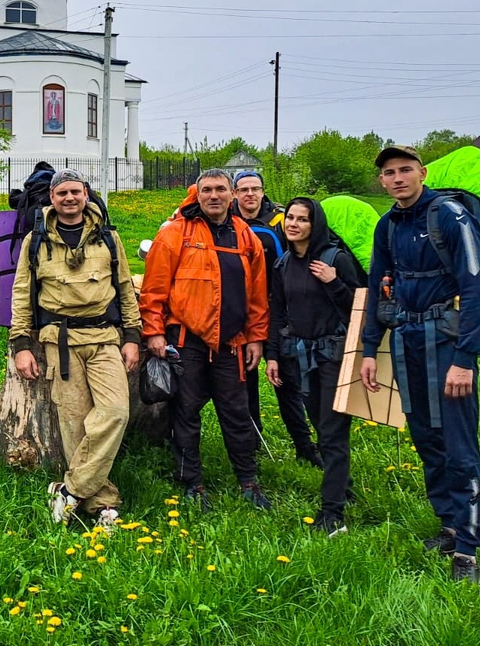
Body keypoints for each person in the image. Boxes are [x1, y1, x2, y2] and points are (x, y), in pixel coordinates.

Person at [360, 146, 480, 584]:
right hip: (406, 341)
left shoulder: (450, 216)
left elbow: (476, 292)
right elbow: (379, 290)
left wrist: (465, 360)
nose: (397, 178)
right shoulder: (387, 225)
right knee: (426, 438)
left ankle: (468, 551)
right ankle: (450, 525)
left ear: (422, 173)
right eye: (389, 173)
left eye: (404, 170)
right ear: (381, 181)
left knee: (458, 444)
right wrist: (367, 351)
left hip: (447, 343)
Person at [10, 169, 141, 530]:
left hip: (104, 338)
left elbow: (126, 289)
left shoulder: (109, 238)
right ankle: (102, 505)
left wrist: (133, 336)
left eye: (76, 192)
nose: (69, 199)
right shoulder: (35, 242)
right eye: (62, 193)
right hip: (60, 342)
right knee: (74, 424)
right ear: (51, 198)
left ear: (86, 195)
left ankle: (69, 489)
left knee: (115, 412)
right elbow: (22, 295)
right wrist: (21, 344)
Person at [139, 169, 272, 511]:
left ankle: (248, 480)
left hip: (232, 343)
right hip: (186, 341)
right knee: (185, 413)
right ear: (197, 195)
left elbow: (258, 294)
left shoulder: (245, 236)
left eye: (220, 190)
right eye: (207, 190)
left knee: (237, 413)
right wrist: (153, 331)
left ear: (232, 195)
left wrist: (256, 338)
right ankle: (191, 483)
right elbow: (153, 290)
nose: (214, 196)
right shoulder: (174, 234)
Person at [266, 198, 362, 535]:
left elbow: (360, 308)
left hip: (334, 357)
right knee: (321, 427)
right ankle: (344, 486)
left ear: (314, 224)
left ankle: (332, 513)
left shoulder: (336, 259)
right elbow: (277, 312)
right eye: (290, 218)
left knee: (334, 434)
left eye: (302, 220)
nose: (293, 224)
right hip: (300, 358)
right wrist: (273, 356)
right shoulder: (282, 265)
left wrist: (334, 282)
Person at [233, 170, 320, 468]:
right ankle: (252, 441)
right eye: (243, 189)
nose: (249, 195)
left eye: (255, 189)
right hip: (240, 314)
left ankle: (304, 445)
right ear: (235, 194)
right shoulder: (225, 221)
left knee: (287, 382)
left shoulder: (280, 221)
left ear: (262, 191)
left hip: (279, 312)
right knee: (246, 382)